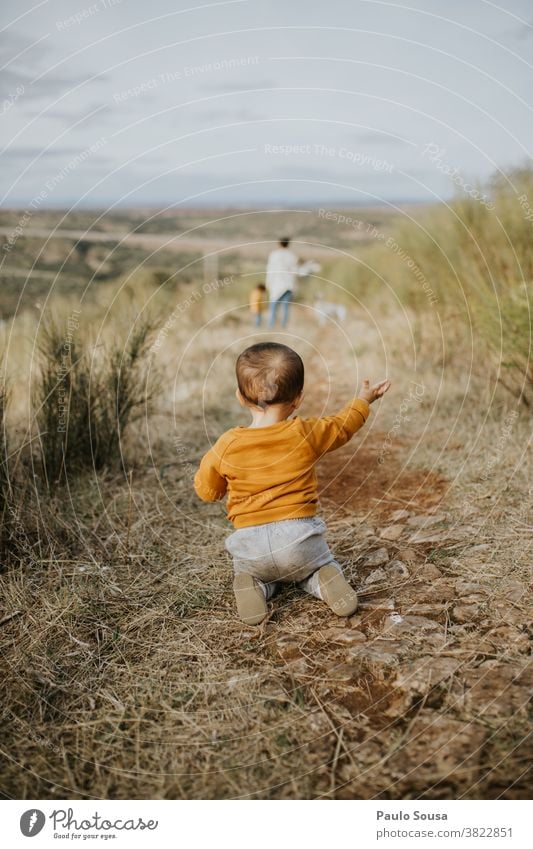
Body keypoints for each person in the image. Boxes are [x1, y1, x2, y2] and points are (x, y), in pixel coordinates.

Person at [194, 342, 391, 625]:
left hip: (251, 545)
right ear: (298, 399)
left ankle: (255, 586)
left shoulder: (227, 445)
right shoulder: (304, 433)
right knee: (311, 569)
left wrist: (217, 487)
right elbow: (341, 426)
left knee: (256, 572)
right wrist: (363, 400)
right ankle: (323, 579)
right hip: (299, 540)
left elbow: (206, 490)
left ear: (240, 396)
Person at [265, 237, 299, 328]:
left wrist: (268, 283)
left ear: (279, 243)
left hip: (276, 284)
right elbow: (295, 271)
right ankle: (283, 327)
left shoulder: (274, 255)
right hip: (288, 284)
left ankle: (271, 326)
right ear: (288, 244)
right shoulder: (292, 255)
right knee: (285, 308)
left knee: (273, 307)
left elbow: (270, 270)